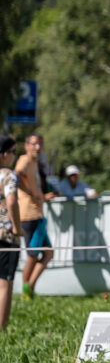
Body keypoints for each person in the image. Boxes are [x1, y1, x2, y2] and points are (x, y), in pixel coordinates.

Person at [16, 133, 52, 299]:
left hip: (37, 214)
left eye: (40, 144)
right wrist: (30, 193)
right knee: (33, 254)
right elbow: (16, 175)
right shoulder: (25, 160)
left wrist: (42, 196)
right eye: (34, 144)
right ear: (27, 145)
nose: (38, 147)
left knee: (48, 253)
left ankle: (29, 287)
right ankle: (26, 292)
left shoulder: (36, 163)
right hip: (28, 215)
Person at [0, 136, 22, 328]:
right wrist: (16, 227)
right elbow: (12, 200)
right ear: (4, 154)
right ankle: (2, 328)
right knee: (4, 283)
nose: (15, 156)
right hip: (5, 234)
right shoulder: (8, 175)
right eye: (14, 152)